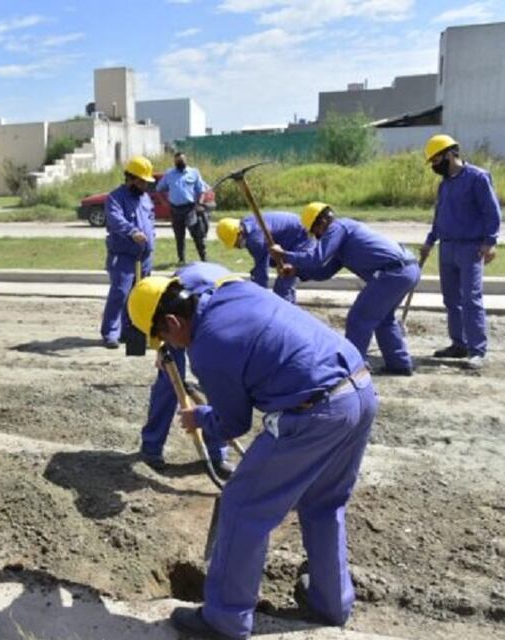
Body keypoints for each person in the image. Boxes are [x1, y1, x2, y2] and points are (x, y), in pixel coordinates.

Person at [128, 275, 376, 640]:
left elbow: (234, 423)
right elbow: (196, 269)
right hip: (360, 391)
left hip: (313, 415)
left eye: (165, 339)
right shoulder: (231, 288)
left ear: (172, 322)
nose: (169, 346)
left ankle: (224, 619)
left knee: (243, 507)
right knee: (324, 504)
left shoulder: (209, 348)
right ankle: (330, 603)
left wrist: (201, 418)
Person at [271, 202, 420, 376]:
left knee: (359, 318)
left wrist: (285, 255)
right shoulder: (343, 241)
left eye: (316, 231)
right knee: (384, 319)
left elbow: (316, 258)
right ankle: (399, 364)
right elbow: (324, 271)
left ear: (324, 221)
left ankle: (353, 368)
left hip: (393, 273)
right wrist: (297, 271)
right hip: (405, 270)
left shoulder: (338, 227)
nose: (317, 237)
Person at [135, 261, 234, 475]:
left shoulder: (219, 316)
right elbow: (159, 319)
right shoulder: (174, 296)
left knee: (216, 386)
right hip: (181, 308)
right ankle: (151, 448)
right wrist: (161, 348)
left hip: (209, 317)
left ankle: (216, 454)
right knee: (169, 380)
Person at [419, 134, 500, 370]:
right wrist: (429, 241)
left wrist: (490, 241)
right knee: (451, 299)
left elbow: (491, 212)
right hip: (447, 247)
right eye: (432, 162)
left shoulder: (477, 178)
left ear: (450, 154)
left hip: (471, 247)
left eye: (436, 160)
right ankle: (459, 344)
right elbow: (439, 217)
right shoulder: (444, 185)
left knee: (471, 299)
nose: (434, 165)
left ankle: (477, 350)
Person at [99, 156, 156, 349]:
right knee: (120, 293)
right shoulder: (115, 198)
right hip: (123, 255)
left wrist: (150, 238)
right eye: (142, 181)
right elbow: (115, 220)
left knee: (139, 295)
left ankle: (130, 332)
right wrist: (132, 232)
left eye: (147, 182)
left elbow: (150, 220)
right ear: (131, 179)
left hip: (144, 256)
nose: (145, 186)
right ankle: (110, 333)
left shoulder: (146, 198)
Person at [216, 211, 312, 303]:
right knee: (283, 279)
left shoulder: (255, 240)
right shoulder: (248, 224)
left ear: (239, 234)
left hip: (300, 238)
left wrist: (259, 297)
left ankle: (286, 315)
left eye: (235, 244)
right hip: (292, 234)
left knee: (282, 288)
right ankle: (292, 312)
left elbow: (262, 273)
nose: (237, 247)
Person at [157, 151, 210, 263]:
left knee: (197, 234)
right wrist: (164, 202)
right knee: (179, 236)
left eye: (182, 160)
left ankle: (203, 257)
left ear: (186, 160)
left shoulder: (194, 173)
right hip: (175, 209)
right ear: (174, 162)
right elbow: (159, 189)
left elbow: (201, 190)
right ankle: (181, 259)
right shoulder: (169, 174)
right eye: (177, 160)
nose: (180, 162)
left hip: (190, 208)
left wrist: (199, 203)